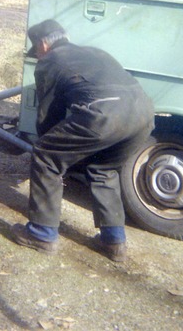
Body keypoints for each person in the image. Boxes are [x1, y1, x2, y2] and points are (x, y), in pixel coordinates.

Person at [11, 19, 155, 262]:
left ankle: (42, 234)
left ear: (43, 45)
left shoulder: (50, 61)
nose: (36, 55)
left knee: (46, 155)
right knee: (104, 168)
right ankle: (114, 241)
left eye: (36, 50)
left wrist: (48, 145)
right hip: (144, 116)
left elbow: (48, 115)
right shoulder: (94, 52)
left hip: (106, 114)